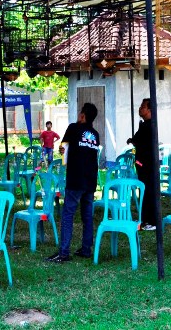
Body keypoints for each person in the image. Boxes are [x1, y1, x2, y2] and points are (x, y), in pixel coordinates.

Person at [47, 103, 100, 263]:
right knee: (87, 216)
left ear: (82, 116)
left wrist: (62, 152)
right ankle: (86, 249)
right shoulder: (96, 134)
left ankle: (63, 253)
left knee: (68, 214)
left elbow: (64, 147)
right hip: (91, 179)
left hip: (76, 178)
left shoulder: (73, 128)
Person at [127, 98, 156, 231]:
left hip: (148, 164)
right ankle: (145, 219)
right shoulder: (144, 125)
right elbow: (136, 139)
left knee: (148, 191)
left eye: (143, 106)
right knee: (144, 190)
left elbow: (142, 142)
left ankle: (152, 221)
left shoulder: (150, 126)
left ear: (150, 110)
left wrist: (135, 141)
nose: (140, 109)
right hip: (141, 164)